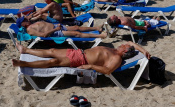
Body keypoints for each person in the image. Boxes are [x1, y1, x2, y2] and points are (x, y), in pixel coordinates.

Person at [12, 41, 151, 74]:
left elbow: (108, 70)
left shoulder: (117, 58)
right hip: (78, 52)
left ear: (125, 51)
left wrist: (90, 66)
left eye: (124, 46)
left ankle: (23, 63)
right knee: (52, 50)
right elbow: (133, 43)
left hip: (80, 60)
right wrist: (144, 51)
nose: (123, 44)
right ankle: (25, 49)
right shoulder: (114, 49)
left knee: (53, 61)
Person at [16, 16, 106, 39]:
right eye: (24, 20)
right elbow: (43, 35)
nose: (26, 18)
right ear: (23, 24)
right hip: (55, 32)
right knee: (76, 34)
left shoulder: (31, 23)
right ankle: (99, 36)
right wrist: (55, 29)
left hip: (57, 26)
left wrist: (56, 26)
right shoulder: (30, 29)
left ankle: (96, 28)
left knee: (76, 27)